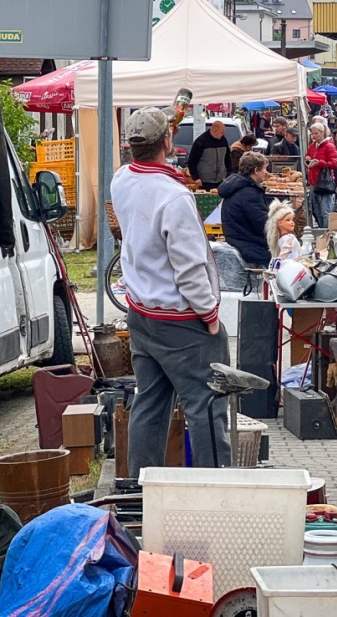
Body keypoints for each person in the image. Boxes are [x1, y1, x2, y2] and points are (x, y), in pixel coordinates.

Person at [111, 107, 229, 473]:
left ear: (131, 146)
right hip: (179, 319)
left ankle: (138, 485)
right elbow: (189, 267)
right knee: (206, 404)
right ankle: (216, 487)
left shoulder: (121, 179)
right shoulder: (174, 197)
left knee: (150, 402)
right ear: (167, 141)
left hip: (141, 311)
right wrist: (209, 314)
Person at [219, 152, 272, 268]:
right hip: (253, 250)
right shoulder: (249, 193)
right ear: (256, 170)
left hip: (238, 243)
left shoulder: (237, 187)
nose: (266, 172)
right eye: (264, 169)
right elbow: (262, 224)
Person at [305, 121, 337, 228]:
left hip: (324, 182)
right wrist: (307, 160)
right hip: (313, 181)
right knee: (316, 211)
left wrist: (319, 163)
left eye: (316, 133)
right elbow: (307, 159)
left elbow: (334, 163)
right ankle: (321, 231)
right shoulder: (312, 146)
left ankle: (326, 232)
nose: (314, 136)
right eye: (312, 133)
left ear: (322, 132)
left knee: (325, 211)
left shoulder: (329, 146)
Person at [186, 120, 234, 191]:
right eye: (221, 132)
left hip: (220, 180)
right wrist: (196, 177)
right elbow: (192, 161)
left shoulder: (223, 140)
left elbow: (227, 158)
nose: (223, 134)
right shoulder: (201, 141)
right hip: (204, 181)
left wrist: (229, 172)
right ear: (215, 131)